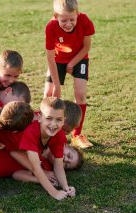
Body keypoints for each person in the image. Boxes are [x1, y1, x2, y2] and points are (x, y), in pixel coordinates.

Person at [44, 0, 95, 149]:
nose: (68, 23)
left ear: (77, 14)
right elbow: (50, 58)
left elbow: (87, 47)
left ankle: (77, 135)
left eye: (72, 19)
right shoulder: (51, 26)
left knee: (80, 94)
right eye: (63, 20)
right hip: (57, 60)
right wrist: (57, 87)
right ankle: (48, 134)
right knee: (49, 94)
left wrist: (72, 64)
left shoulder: (84, 20)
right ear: (55, 17)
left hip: (79, 57)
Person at [11, 97, 75, 200]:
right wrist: (54, 192)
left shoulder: (60, 135)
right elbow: (36, 167)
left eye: (59, 120)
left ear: (64, 120)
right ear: (40, 117)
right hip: (5, 152)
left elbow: (58, 165)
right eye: (49, 118)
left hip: (21, 158)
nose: (53, 124)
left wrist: (65, 187)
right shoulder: (31, 131)